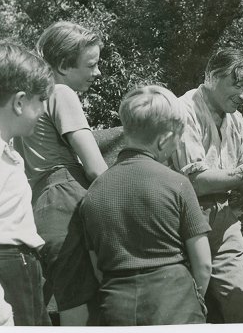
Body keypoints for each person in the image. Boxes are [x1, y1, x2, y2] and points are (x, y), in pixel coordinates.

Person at [172, 48, 243, 323]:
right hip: (184, 217)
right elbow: (196, 183)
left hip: (224, 218)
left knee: (240, 303)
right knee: (185, 305)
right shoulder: (183, 109)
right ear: (212, 77)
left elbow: (241, 186)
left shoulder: (235, 118)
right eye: (238, 85)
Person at [79, 85, 212, 325]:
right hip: (176, 304)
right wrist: (196, 301)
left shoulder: (94, 191)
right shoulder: (177, 183)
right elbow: (203, 264)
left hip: (116, 309)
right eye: (177, 140)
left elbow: (97, 267)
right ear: (164, 140)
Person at [14, 21, 108, 325]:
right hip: (66, 197)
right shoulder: (62, 92)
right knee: (82, 305)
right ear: (64, 65)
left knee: (66, 298)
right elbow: (96, 168)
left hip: (38, 205)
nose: (98, 73)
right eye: (91, 64)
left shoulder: (26, 99)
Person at [0, 42, 54, 325]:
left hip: (21, 264)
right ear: (19, 102)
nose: (44, 109)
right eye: (40, 100)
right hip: (5, 264)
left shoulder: (6, 147)